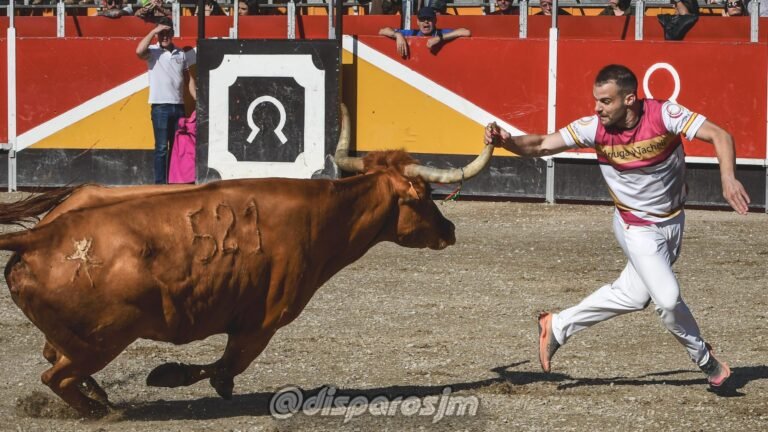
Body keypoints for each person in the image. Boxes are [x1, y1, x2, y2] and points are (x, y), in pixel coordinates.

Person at [485, 64, 750, 390]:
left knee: (634, 294)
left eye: (605, 101)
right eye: (596, 100)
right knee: (667, 301)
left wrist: (727, 177)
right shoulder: (592, 128)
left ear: (630, 99)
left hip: (673, 222)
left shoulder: (664, 114)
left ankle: (557, 325)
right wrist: (506, 141)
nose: (597, 108)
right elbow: (541, 144)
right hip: (635, 227)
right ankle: (708, 364)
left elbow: (720, 135)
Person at [136, 19, 197, 184]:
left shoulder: (180, 53)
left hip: (178, 106)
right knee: (162, 148)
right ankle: (160, 184)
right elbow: (139, 50)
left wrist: (198, 100)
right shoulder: (153, 52)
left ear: (172, 34)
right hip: (160, 106)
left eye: (167, 33)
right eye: (161, 34)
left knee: (176, 147)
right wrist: (153, 31)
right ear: (157, 35)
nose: (164, 37)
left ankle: (173, 180)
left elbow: (188, 80)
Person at [379, 6, 471, 58]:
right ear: (417, 22)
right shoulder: (412, 33)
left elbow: (466, 32)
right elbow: (382, 31)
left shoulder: (441, 33)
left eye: (429, 19)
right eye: (422, 19)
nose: (426, 22)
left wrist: (440, 38)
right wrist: (397, 35)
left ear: (435, 21)